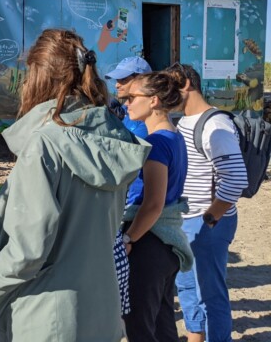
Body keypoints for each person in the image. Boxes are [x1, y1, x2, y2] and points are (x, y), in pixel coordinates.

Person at [0, 29, 150, 341]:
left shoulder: (45, 143)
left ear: (38, 77)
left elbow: (29, 248)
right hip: (102, 310)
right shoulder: (115, 138)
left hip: (47, 314)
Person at [166, 63, 248, 342]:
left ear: (187, 84)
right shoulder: (182, 121)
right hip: (185, 222)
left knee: (210, 295)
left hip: (207, 223)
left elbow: (236, 178)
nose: (166, 94)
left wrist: (209, 219)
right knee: (188, 289)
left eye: (170, 86)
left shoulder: (215, 124)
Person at [121, 72, 193, 341]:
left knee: (139, 326)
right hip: (166, 243)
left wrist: (129, 238)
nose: (127, 104)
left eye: (131, 97)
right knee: (162, 323)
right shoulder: (174, 137)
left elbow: (153, 204)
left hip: (149, 241)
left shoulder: (157, 143)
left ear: (152, 101)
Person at [105, 55, 152, 317]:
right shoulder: (127, 116)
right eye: (117, 78)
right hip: (125, 208)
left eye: (124, 79)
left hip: (135, 212)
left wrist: (131, 235)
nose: (118, 84)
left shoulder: (143, 125)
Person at [105, 56, 153, 139]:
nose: (117, 85)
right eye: (117, 80)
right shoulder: (124, 109)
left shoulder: (146, 118)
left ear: (142, 80)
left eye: (123, 80)